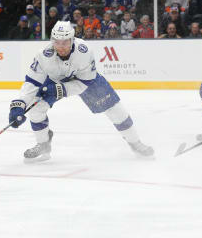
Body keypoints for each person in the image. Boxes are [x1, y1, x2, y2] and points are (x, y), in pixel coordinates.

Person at [8, 21, 154, 163]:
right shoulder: (43, 55)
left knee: (115, 109)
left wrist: (62, 89)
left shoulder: (84, 51)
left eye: (65, 42)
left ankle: (135, 143)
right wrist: (19, 105)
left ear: (72, 39)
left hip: (86, 79)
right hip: (55, 79)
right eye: (57, 42)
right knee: (36, 108)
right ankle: (43, 144)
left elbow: (85, 82)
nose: (60, 46)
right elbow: (32, 82)